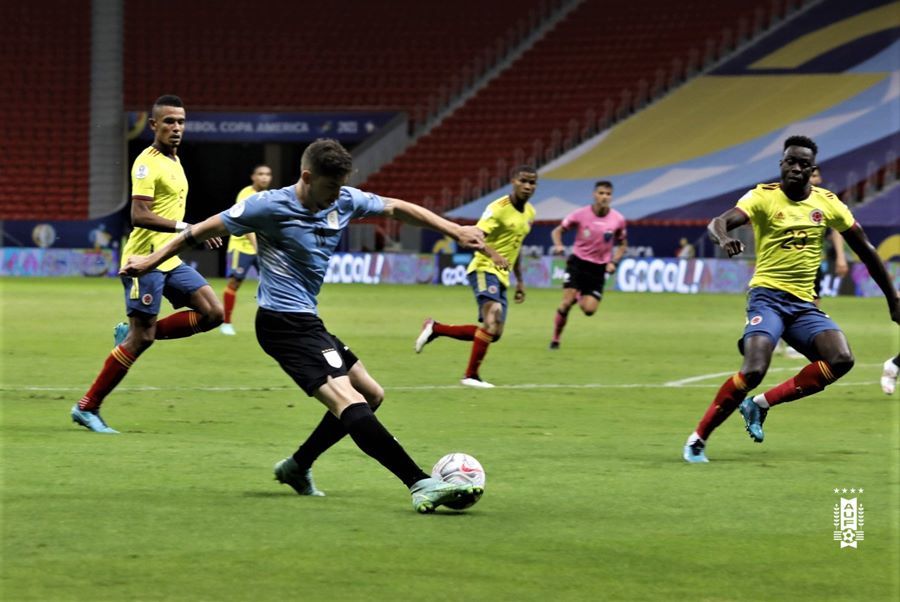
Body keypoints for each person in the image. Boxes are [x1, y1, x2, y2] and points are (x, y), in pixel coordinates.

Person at [120, 138, 486, 513]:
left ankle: (298, 466)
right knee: (350, 400)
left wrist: (454, 230)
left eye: (340, 187)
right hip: (281, 324)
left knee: (372, 394)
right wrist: (149, 262)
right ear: (307, 177)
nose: (335, 197)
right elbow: (197, 232)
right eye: (329, 188)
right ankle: (419, 482)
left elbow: (396, 207)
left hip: (308, 321)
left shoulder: (343, 199)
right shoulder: (268, 206)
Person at [683, 135, 900, 463]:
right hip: (767, 298)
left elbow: (867, 251)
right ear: (781, 165)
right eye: (790, 162)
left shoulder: (827, 203)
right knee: (754, 368)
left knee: (841, 359)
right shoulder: (762, 197)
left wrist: (893, 298)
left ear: (812, 169)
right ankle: (698, 439)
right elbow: (719, 222)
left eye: (803, 164)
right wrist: (725, 237)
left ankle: (758, 405)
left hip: (802, 305)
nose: (796, 168)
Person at [71, 95, 225, 434]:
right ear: (154, 125)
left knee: (213, 313)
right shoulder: (147, 162)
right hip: (144, 262)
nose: (176, 128)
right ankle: (87, 407)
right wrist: (188, 229)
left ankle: (136, 333)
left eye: (181, 122)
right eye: (169, 121)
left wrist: (191, 231)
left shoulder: (175, 160)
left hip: (170, 258)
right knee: (141, 341)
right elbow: (139, 214)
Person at [414, 166, 538, 388]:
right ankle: (470, 376)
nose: (528, 186)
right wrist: (493, 254)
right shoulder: (498, 208)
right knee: (493, 317)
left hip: (503, 275)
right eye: (524, 181)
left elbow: (516, 248)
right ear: (513, 182)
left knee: (494, 333)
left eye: (532, 182)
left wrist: (519, 280)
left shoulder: (530, 213)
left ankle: (436, 328)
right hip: (483, 268)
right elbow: (474, 238)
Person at [779, 166, 849, 358]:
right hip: (785, 261)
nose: (817, 179)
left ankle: (798, 341)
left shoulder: (825, 200)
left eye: (818, 175)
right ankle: (775, 336)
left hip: (812, 261)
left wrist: (841, 258)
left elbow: (836, 229)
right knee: (782, 298)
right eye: (814, 175)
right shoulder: (786, 198)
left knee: (813, 299)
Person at [548, 180, 627, 350]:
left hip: (598, 269)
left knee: (589, 310)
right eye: (601, 193)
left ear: (611, 197)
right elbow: (557, 231)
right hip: (578, 264)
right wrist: (559, 245)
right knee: (566, 303)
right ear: (594, 195)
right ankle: (556, 339)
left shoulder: (618, 219)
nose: (604, 197)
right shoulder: (580, 214)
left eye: (608, 194)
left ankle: (579, 295)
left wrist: (614, 261)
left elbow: (622, 244)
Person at [220, 164, 273, 335]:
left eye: (267, 174)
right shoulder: (246, 194)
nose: (264, 177)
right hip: (241, 247)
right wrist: (257, 246)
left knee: (271, 283)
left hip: (261, 248)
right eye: (260, 174)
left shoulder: (268, 196)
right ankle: (226, 323)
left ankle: (273, 323)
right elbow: (246, 224)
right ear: (253, 177)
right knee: (235, 283)